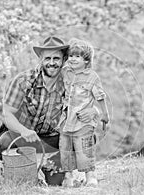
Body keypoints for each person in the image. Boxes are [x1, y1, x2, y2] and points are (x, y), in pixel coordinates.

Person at [0, 36, 97, 182]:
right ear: (41, 59)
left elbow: (89, 103)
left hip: (52, 139)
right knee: (5, 141)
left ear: (63, 60)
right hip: (24, 137)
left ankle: (51, 166)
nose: (51, 63)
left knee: (86, 138)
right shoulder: (23, 81)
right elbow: (7, 114)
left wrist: (94, 111)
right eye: (47, 58)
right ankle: (16, 166)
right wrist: (24, 131)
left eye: (56, 58)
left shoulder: (70, 81)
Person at [58, 38, 110, 187]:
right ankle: (68, 176)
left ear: (86, 60)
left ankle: (90, 176)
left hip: (83, 121)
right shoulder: (66, 72)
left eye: (77, 56)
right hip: (66, 119)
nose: (73, 59)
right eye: (71, 56)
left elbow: (100, 96)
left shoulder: (91, 77)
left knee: (84, 149)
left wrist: (104, 115)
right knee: (65, 148)